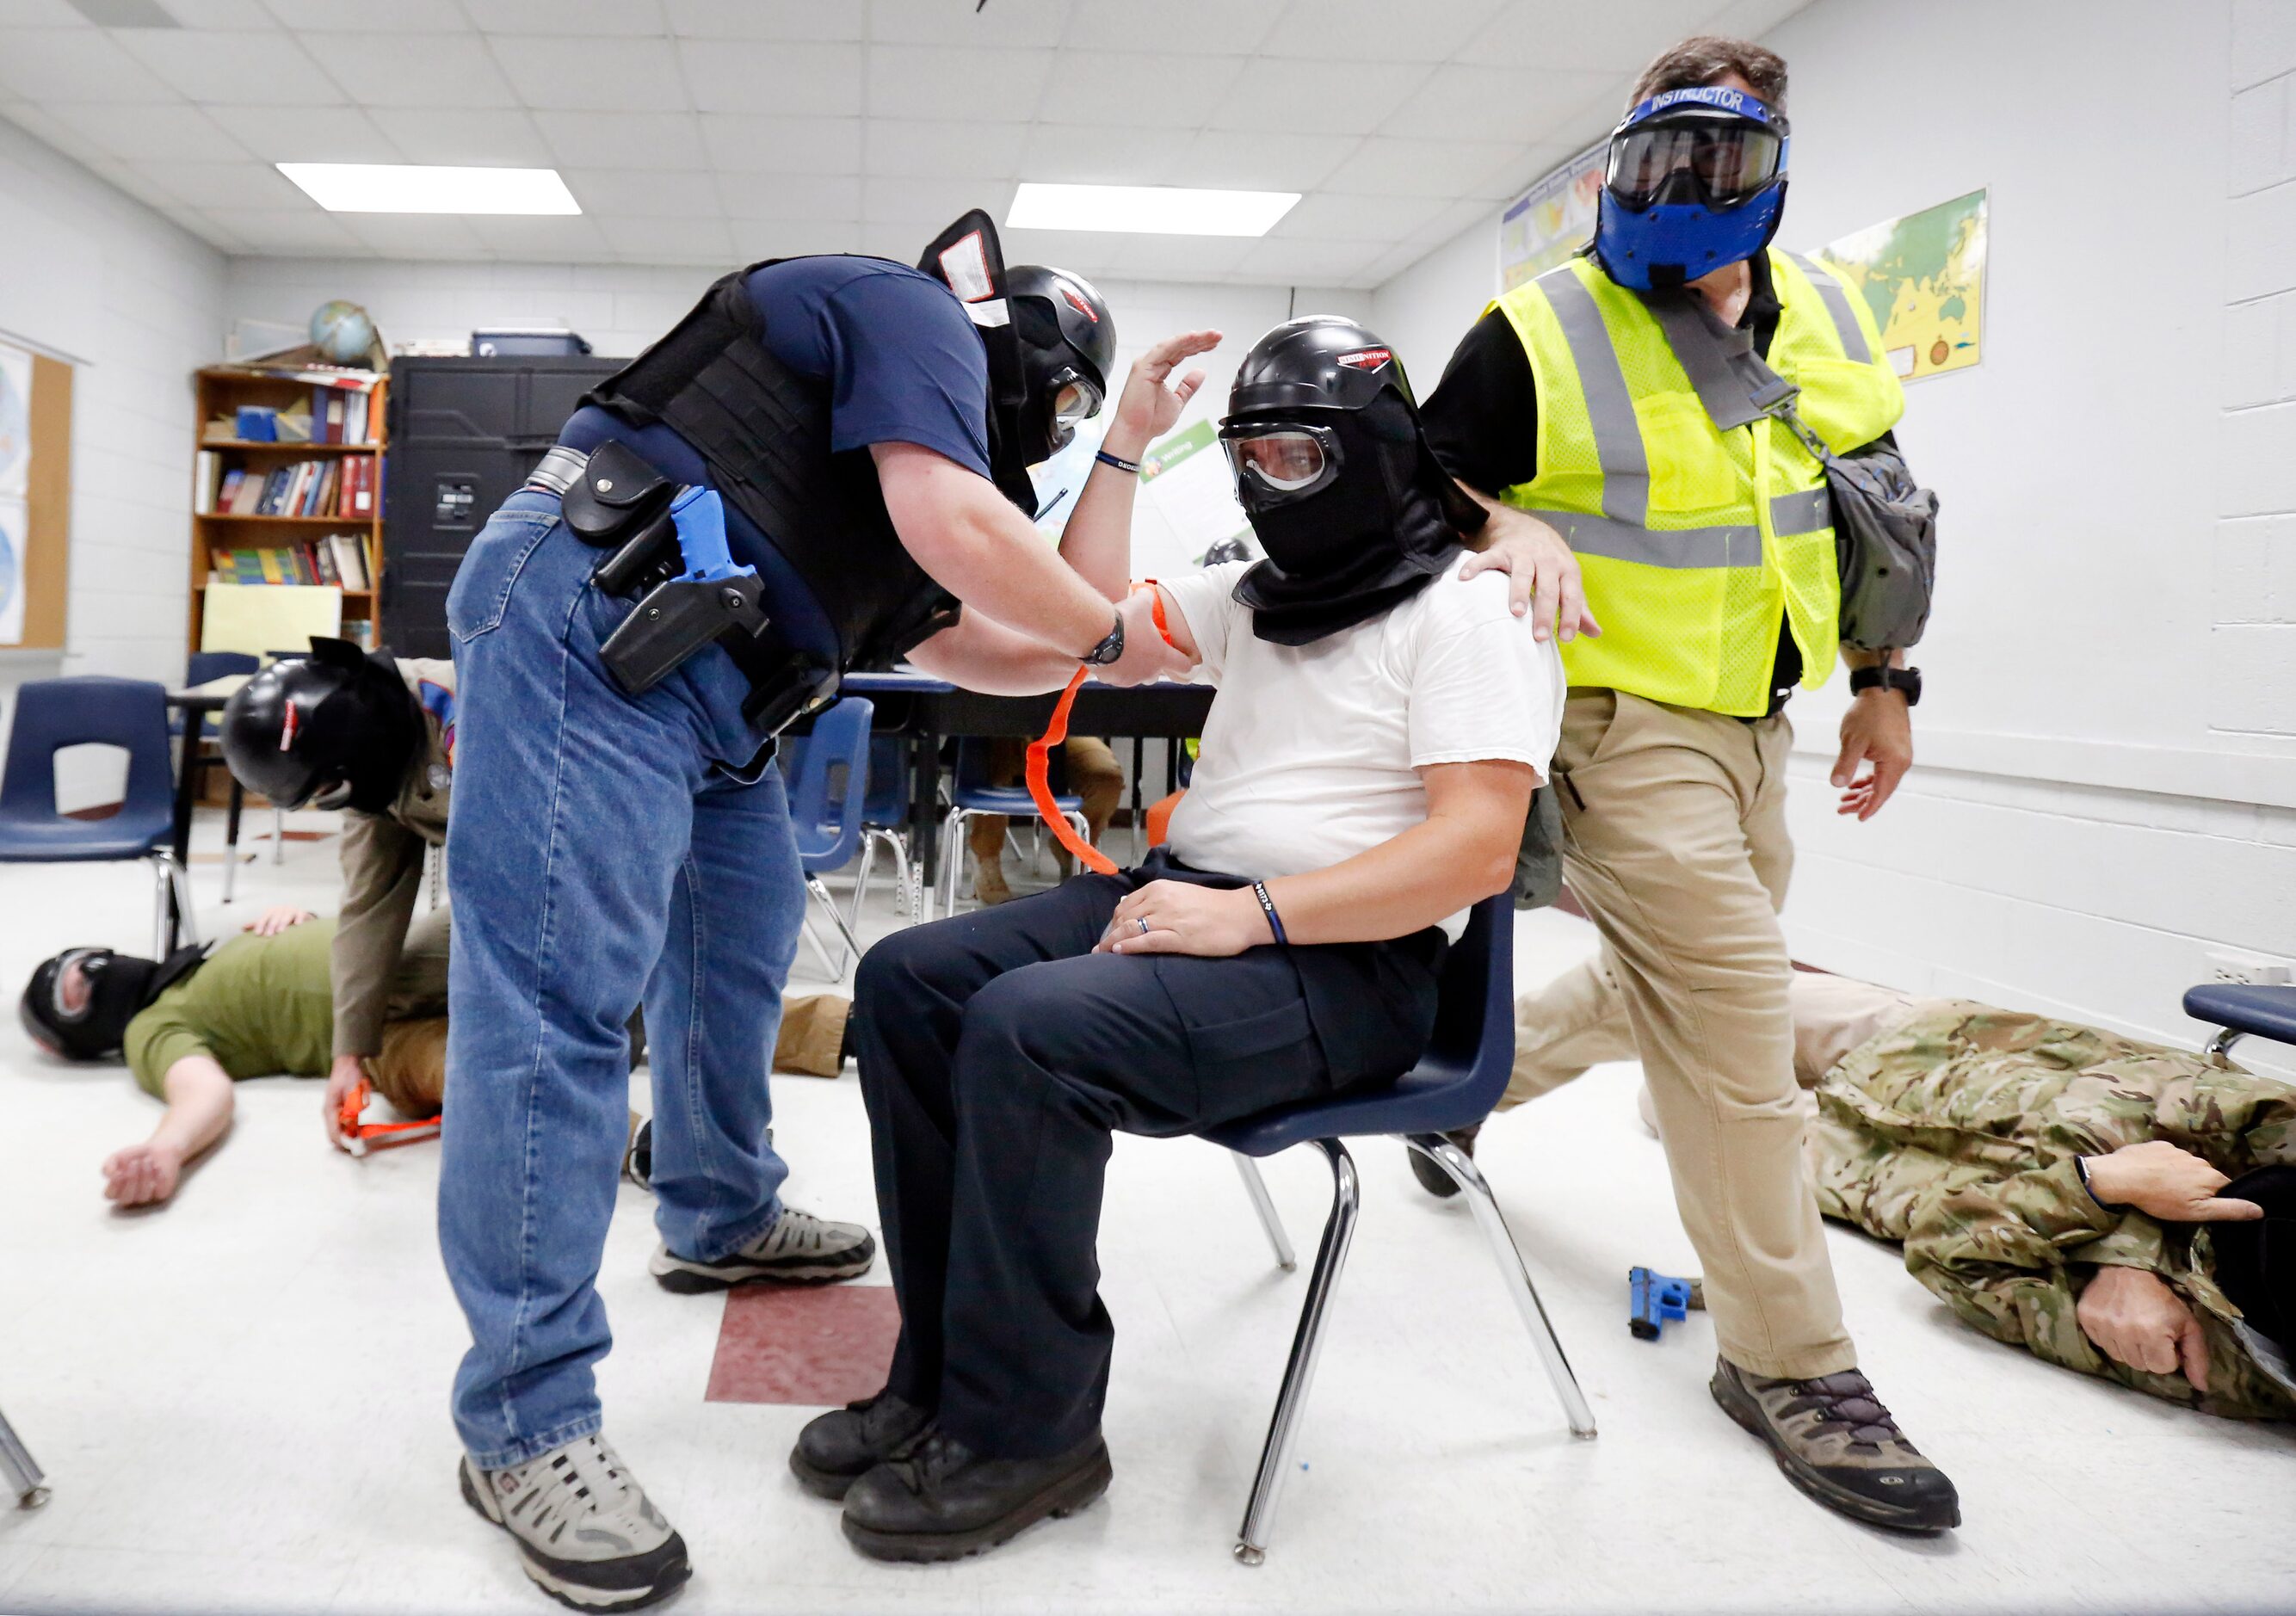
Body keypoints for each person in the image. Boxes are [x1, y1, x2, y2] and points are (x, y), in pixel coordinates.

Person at [435, 205, 1208, 1610]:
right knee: (553, 1005)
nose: (1050, 426)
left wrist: (1124, 460)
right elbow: (1012, 571)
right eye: (1070, 402)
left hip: (730, 687)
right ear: (1010, 352)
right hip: (584, 611)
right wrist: (1111, 635)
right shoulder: (902, 310)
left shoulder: (915, 468)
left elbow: (1018, 638)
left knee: (733, 960)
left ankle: (718, 1210)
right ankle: (520, 1423)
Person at [788, 316, 1561, 1564]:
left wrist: (1249, 915)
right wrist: (1129, 441)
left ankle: (1031, 1430)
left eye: (1296, 458)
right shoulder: (1257, 599)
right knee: (908, 979)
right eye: (1247, 457)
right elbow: (1078, 623)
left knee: (1030, 1032)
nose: (1266, 487)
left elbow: (1475, 851)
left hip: (1344, 962)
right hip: (1199, 899)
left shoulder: (1472, 609)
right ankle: (939, 1379)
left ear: (1371, 450)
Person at [1419, 34, 1953, 1531]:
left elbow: (1877, 501)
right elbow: (1414, 476)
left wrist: (1883, 680)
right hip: (1618, 726)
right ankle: (1791, 1365)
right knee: (1735, 1037)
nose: (1687, 187)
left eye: (1723, 161)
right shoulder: (1537, 327)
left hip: (1758, 723)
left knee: (1671, 984)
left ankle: (1454, 1095)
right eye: (1666, 155)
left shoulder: (1823, 308)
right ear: (1629, 159)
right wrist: (1497, 528)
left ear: (1763, 174)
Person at [1498, 965, 2296, 1419]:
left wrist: (2098, 1187)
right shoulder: (2279, 1128)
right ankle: (1470, 1094)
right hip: (1941, 1047)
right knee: (1653, 982)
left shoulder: (2214, 1366)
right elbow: (2117, 1096)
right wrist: (2123, 1246)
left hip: (1868, 1171)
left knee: (1663, 1102)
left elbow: (1952, 1257)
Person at [18, 904, 448, 1209]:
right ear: (85, 1035)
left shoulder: (203, 961)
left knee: (492, 915)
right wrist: (166, 1149)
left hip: (390, 955)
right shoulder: (149, 1030)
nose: (88, 972)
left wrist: (298, 917)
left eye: (84, 961)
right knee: (483, 1071)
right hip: (374, 1040)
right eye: (72, 994)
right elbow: (203, 1092)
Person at [219, 637, 459, 1150]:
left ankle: (629, 1123)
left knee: (516, 999)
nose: (334, 800)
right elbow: (367, 907)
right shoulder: (377, 754)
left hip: (604, 874)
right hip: (512, 899)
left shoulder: (466, 709)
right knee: (376, 1005)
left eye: (328, 789)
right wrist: (347, 1057)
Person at [963, 735, 1125, 904]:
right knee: (998, 737)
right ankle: (985, 854)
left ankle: (1069, 847)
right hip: (1006, 734)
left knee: (1107, 777)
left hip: (1064, 731)